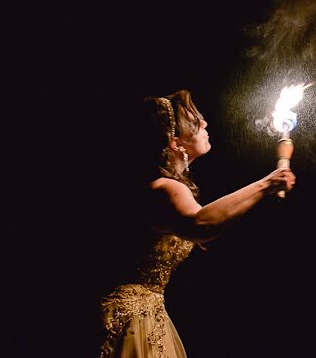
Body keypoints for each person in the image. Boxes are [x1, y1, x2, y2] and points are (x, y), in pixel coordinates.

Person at [98, 89, 295, 357]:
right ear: (176, 143)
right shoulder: (163, 189)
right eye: (195, 122)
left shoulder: (169, 187)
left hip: (151, 314)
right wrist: (266, 183)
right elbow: (200, 224)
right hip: (130, 321)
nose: (205, 124)